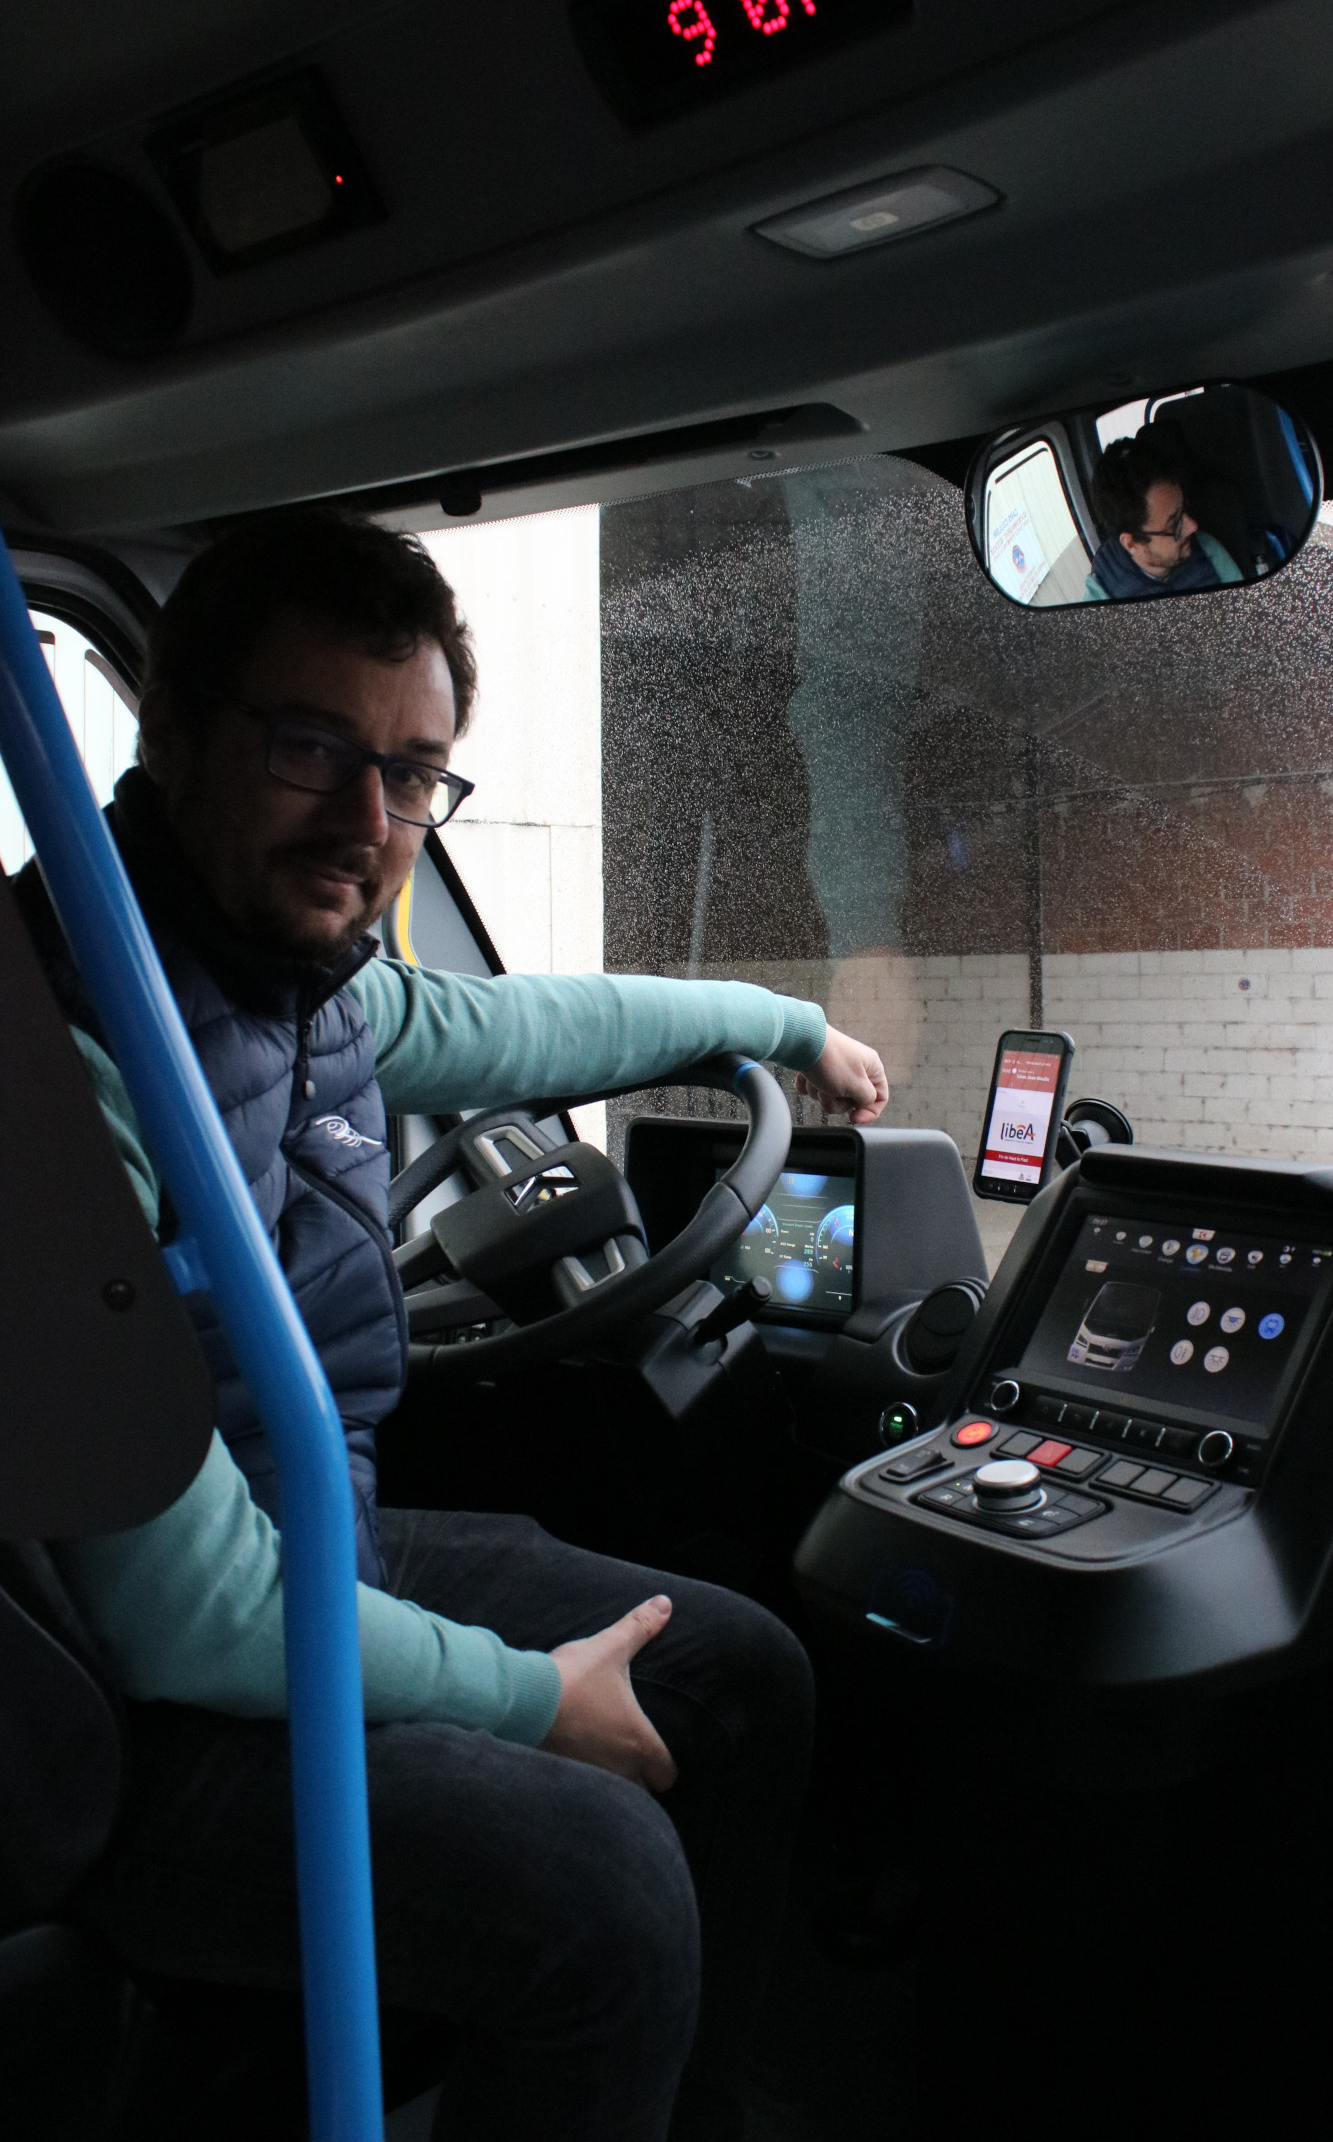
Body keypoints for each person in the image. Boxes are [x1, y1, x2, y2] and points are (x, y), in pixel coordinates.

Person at [15, 510, 891, 2142]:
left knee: (743, 1671)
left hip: (309, 1549)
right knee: (609, 1894)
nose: (371, 821)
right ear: (178, 736)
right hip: (131, 1722)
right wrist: (522, 1697)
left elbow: (533, 1021)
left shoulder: (298, 982)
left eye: (414, 775)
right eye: (310, 748)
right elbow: (187, 1618)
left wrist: (789, 1028)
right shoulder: (58, 1055)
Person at [1083, 427, 1244, 601]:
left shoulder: (1208, 550)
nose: (1192, 526)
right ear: (1132, 544)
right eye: (1174, 524)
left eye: (1184, 507)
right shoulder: (1102, 598)